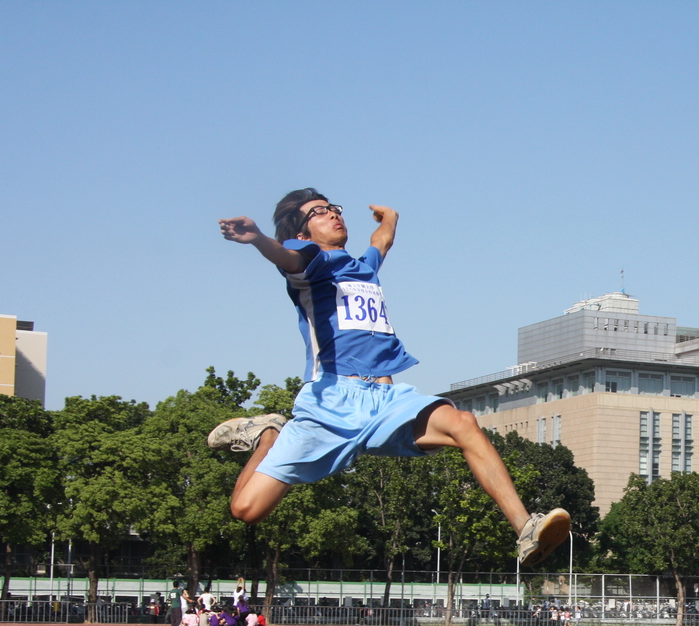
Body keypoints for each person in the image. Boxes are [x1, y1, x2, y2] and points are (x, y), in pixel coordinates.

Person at [215, 189, 569, 566]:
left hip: (384, 401)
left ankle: (525, 528)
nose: (334, 214)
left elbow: (381, 241)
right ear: (302, 232)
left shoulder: (363, 267)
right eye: (320, 212)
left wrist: (391, 218)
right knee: (246, 510)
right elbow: (284, 256)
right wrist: (256, 239)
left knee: (463, 423)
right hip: (330, 403)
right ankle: (270, 434)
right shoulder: (309, 261)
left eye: (334, 208)